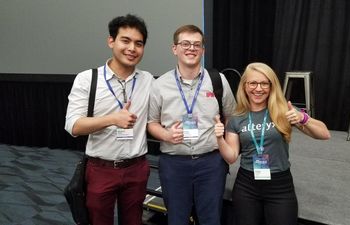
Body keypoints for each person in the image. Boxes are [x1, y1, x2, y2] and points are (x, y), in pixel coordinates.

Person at [214, 62, 331, 225]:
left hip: (280, 186)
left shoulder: (283, 111)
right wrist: (219, 139)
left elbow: (324, 134)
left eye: (264, 83)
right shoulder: (237, 118)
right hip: (247, 186)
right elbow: (231, 157)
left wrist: (303, 118)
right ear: (245, 86)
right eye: (253, 83)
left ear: (271, 86)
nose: (258, 88)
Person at [65, 14, 153, 225]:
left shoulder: (148, 80)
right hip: (100, 169)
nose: (132, 48)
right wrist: (112, 119)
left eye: (138, 43)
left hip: (137, 168)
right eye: (125, 40)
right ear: (111, 41)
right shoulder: (88, 79)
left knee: (134, 221)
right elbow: (73, 126)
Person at [147, 24, 236, 225]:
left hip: (211, 163)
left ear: (203, 50)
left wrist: (227, 144)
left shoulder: (217, 81)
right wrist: (166, 135)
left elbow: (231, 116)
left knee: (211, 219)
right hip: (174, 163)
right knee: (177, 219)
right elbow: (152, 123)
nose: (191, 48)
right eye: (185, 43)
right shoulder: (159, 85)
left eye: (197, 44)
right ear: (174, 48)